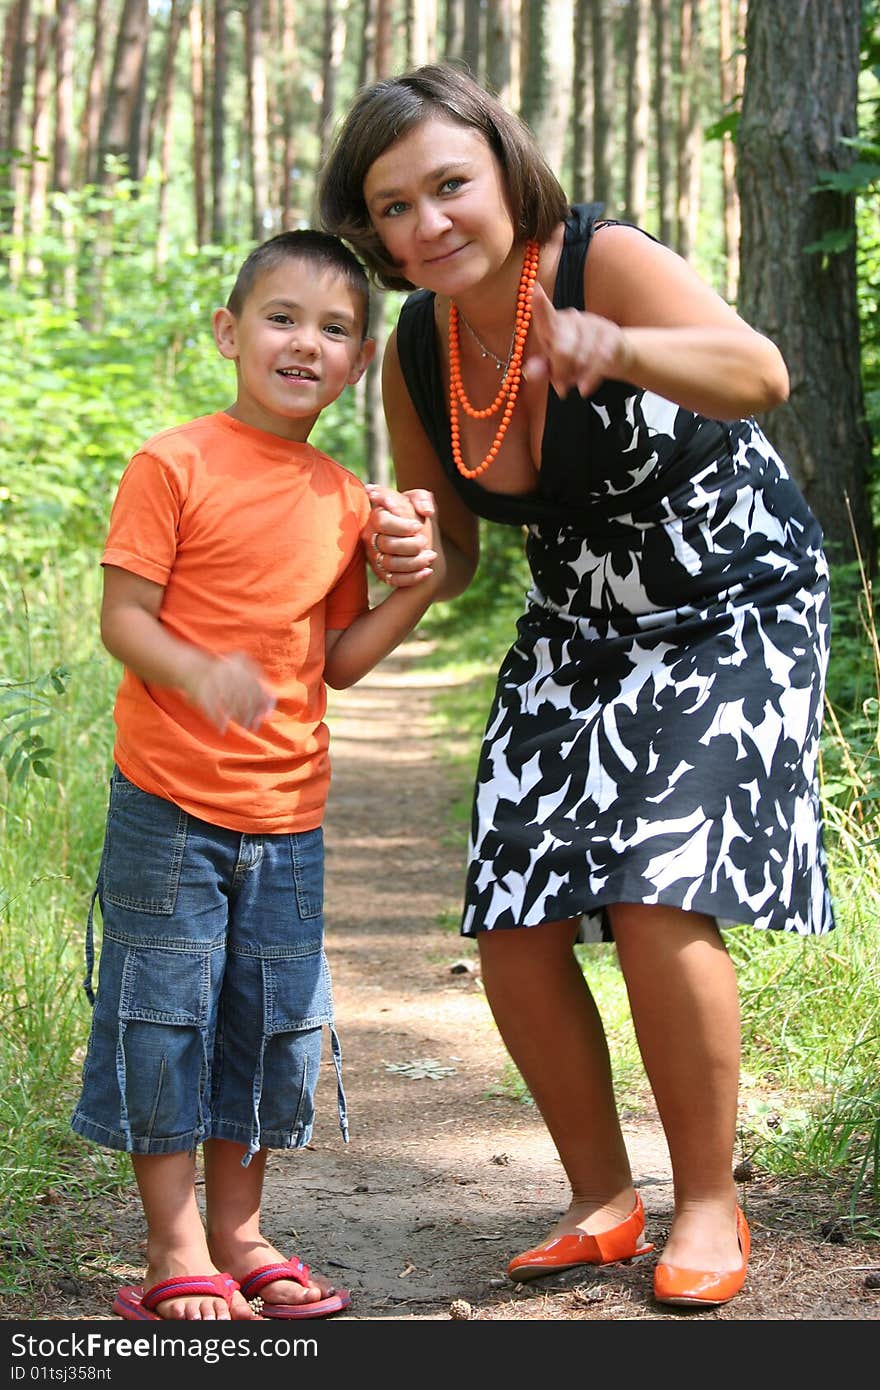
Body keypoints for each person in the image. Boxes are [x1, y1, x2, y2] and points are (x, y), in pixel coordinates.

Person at [318, 63, 835, 1310]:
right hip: (578, 625)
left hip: (733, 598)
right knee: (515, 909)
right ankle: (601, 1198)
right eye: (393, 207)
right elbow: (450, 552)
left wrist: (624, 345)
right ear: (371, 229)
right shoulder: (421, 345)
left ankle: (707, 1202)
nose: (427, 222)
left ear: (503, 168)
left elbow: (760, 374)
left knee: (659, 892)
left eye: (450, 185)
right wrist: (400, 557)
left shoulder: (601, 257)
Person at [70, 229, 442, 1322]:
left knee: (266, 1021)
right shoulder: (172, 463)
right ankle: (173, 1242)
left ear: (360, 361)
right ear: (231, 333)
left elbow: (334, 663)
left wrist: (413, 590)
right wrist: (198, 672)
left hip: (289, 815)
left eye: (334, 329)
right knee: (163, 1015)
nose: (304, 343)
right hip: (169, 804)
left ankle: (241, 1234)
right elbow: (123, 621)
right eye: (281, 318)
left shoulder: (341, 500)